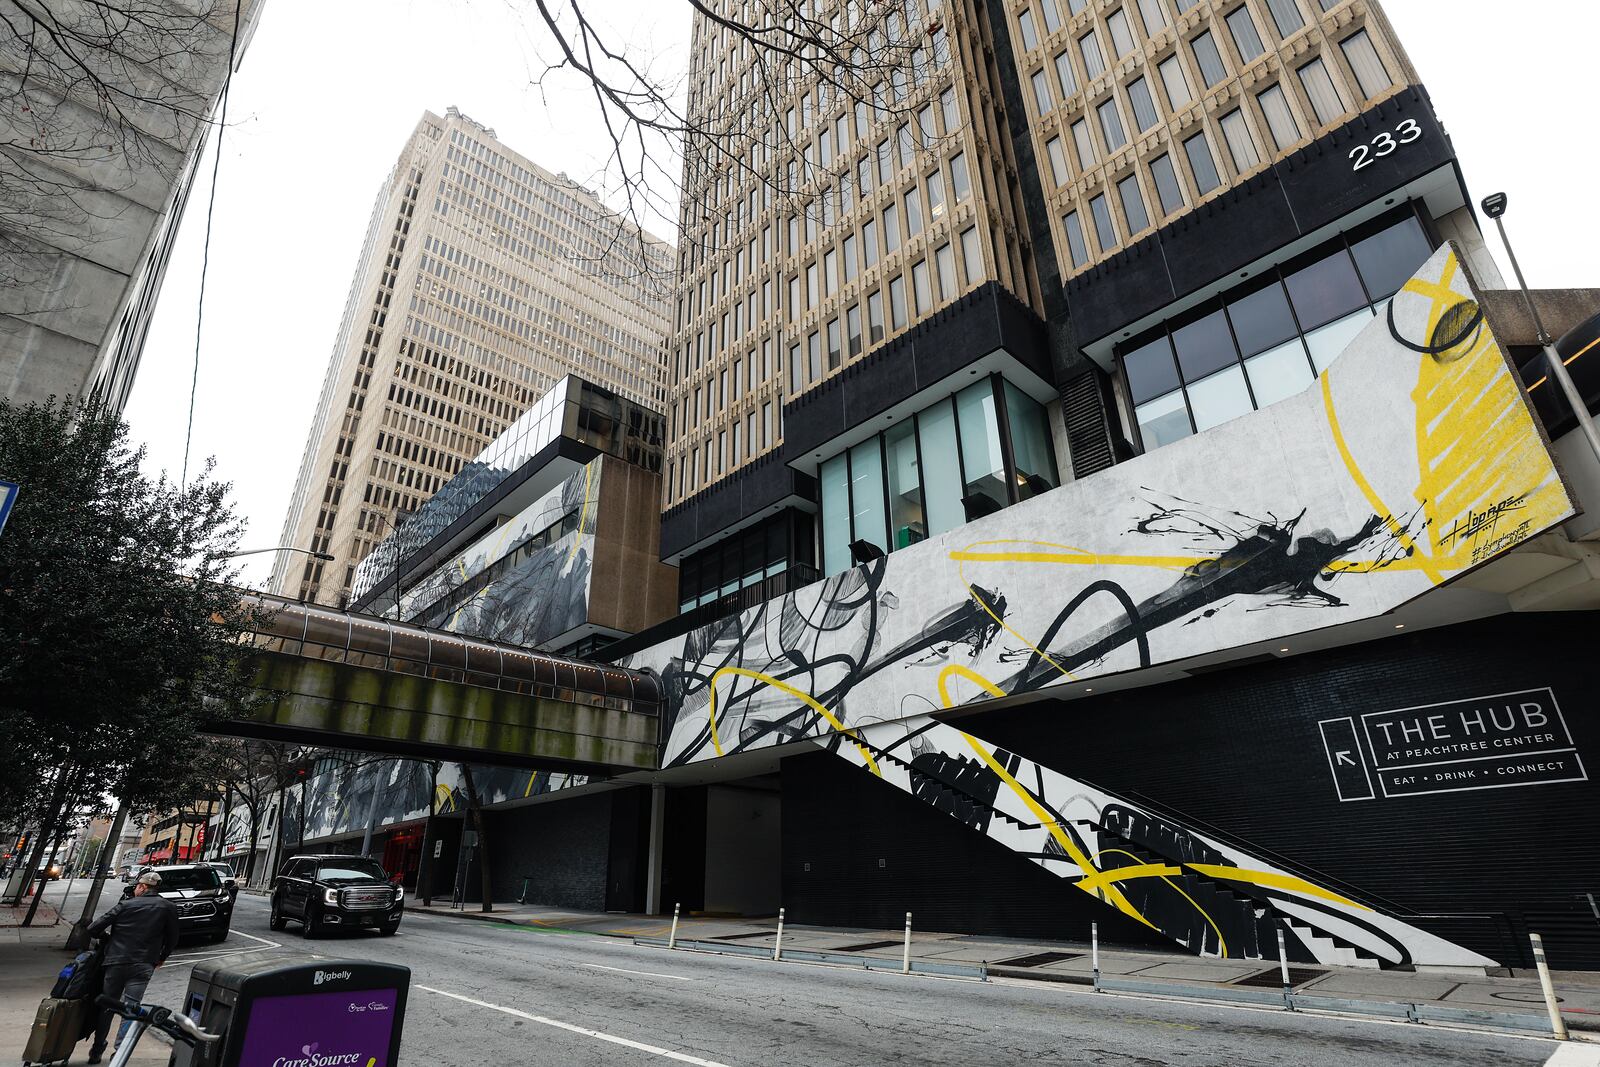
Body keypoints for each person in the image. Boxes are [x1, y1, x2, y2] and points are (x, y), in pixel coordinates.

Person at [84, 869, 179, 1064]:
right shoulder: (167, 907)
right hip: (144, 963)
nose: (136, 889)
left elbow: (93, 929)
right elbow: (172, 938)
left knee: (108, 1006)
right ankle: (119, 1052)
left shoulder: (125, 905)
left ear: (143, 887)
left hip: (116, 961)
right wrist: (162, 957)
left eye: (137, 886)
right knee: (131, 1008)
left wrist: (108, 940)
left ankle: (97, 1048)